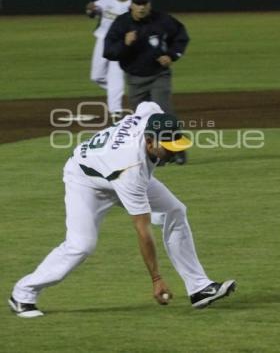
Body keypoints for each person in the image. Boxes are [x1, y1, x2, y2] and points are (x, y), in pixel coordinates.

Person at [8, 102, 236, 318]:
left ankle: (199, 288)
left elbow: (147, 105)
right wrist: (156, 278)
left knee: (175, 210)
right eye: (167, 148)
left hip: (110, 169)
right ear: (149, 142)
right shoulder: (131, 169)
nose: (174, 152)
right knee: (81, 245)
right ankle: (23, 294)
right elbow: (142, 230)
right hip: (85, 181)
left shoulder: (150, 116)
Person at [103, 0, 189, 165]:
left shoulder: (162, 20)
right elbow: (109, 52)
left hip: (159, 75)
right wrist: (124, 44)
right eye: (137, 4)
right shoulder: (121, 23)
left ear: (149, 5)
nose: (141, 8)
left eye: (144, 4)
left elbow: (181, 35)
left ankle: (178, 151)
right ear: (131, 5)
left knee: (163, 113)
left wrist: (172, 55)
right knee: (142, 120)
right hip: (135, 79)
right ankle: (156, 155)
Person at [86, 0, 132, 123]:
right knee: (96, 76)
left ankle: (115, 110)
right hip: (102, 39)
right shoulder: (106, 0)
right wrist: (90, 9)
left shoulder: (132, 5)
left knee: (116, 75)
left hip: (120, 43)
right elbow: (92, 12)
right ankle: (114, 91)